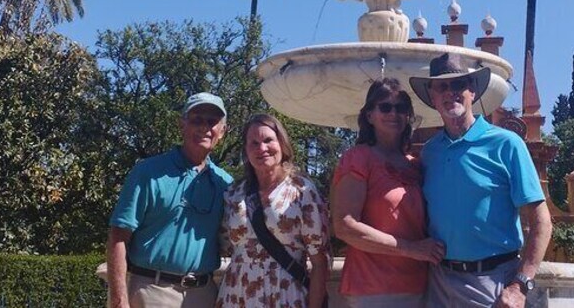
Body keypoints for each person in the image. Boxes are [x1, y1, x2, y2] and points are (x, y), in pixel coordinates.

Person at [409, 54, 552, 308]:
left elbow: (542, 221)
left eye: (458, 84)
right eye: (441, 86)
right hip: (439, 283)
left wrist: (520, 284)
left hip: (493, 283)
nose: (450, 92)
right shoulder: (430, 152)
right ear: (432, 96)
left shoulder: (506, 144)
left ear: (472, 91)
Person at [107, 92, 233, 308]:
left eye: (212, 121)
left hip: (204, 293)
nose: (204, 127)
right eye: (197, 120)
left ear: (222, 131)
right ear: (182, 124)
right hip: (152, 291)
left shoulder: (226, 184)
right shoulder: (148, 172)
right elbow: (118, 238)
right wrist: (119, 301)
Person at [331, 78, 445, 308]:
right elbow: (344, 226)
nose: (393, 113)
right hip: (373, 288)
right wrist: (411, 249)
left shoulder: (415, 164)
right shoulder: (358, 158)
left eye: (401, 108)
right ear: (369, 115)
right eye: (385, 107)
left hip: (421, 285)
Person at [216, 114, 330, 308]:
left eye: (268, 140)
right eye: (254, 143)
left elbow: (319, 262)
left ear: (282, 144)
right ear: (246, 150)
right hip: (237, 294)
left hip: (285, 294)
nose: (262, 148)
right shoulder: (234, 193)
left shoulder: (302, 191)